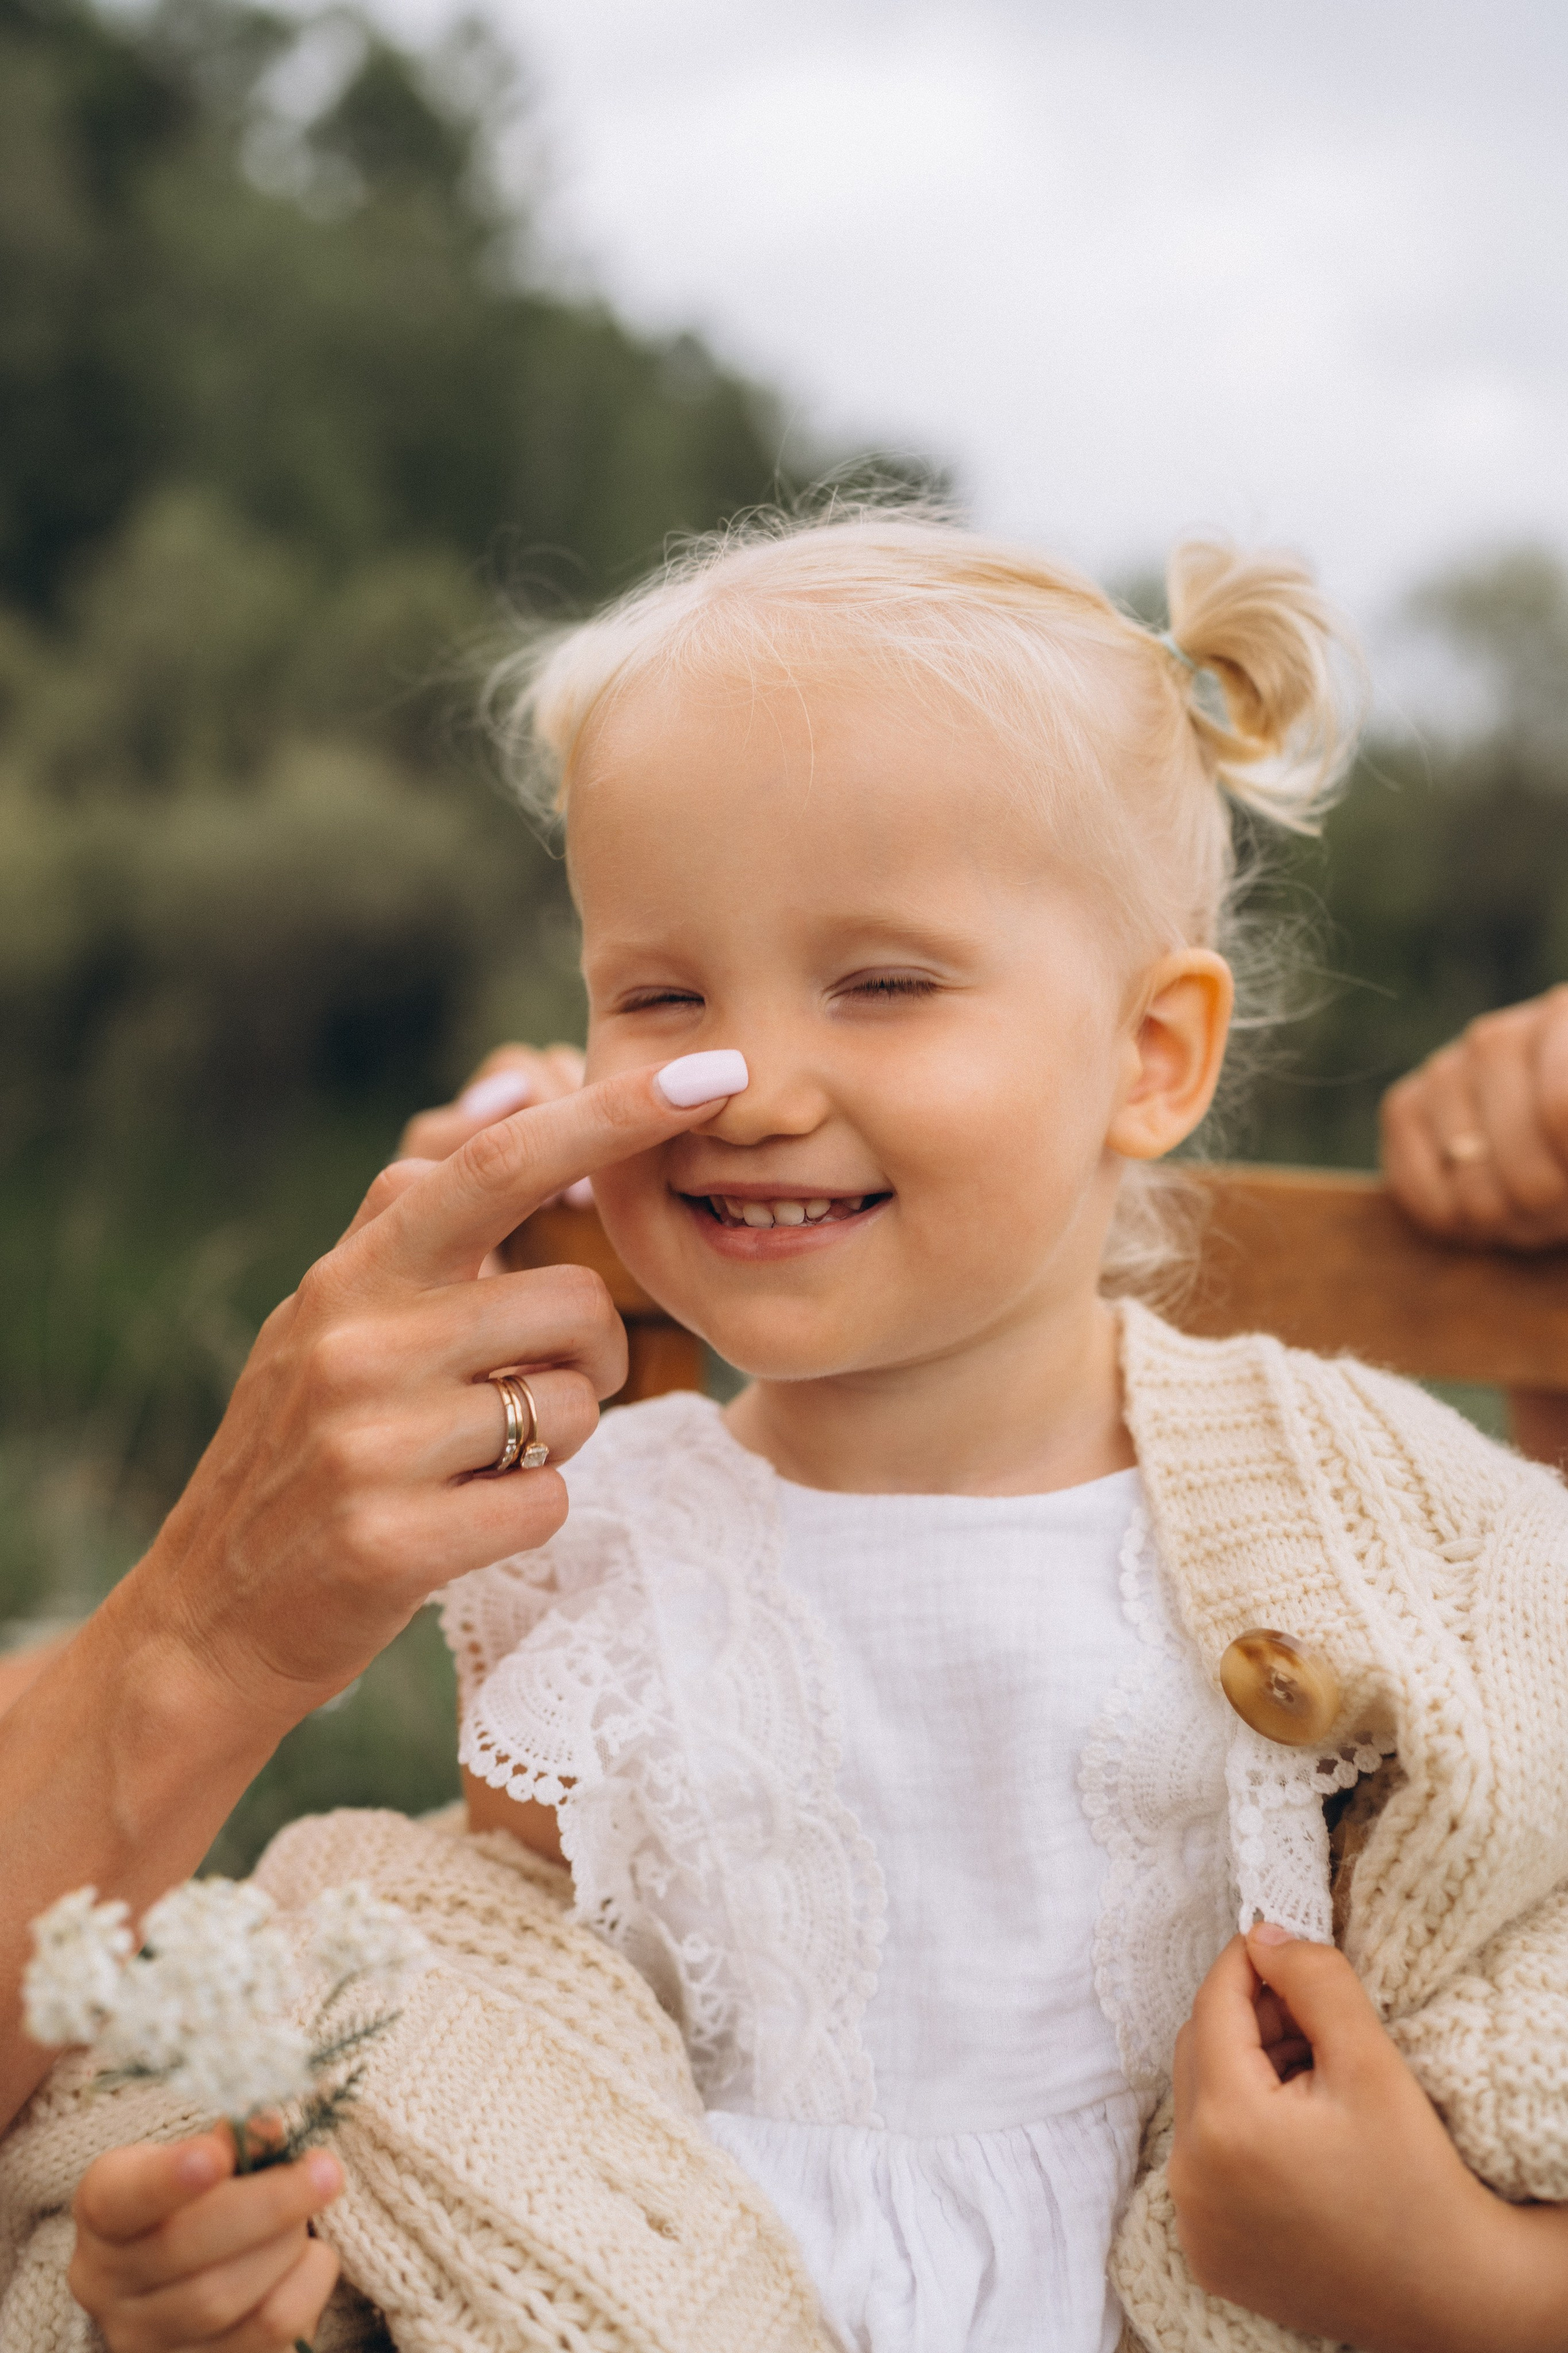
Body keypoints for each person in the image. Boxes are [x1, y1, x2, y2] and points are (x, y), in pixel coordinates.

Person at [42, 509, 1568, 2352]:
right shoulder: (580, 1537)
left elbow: (1507, 1905)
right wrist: (233, 2284)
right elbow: (509, 2031)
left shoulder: (1368, 1525)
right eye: (662, 997)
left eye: (885, 983)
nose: (751, 1086)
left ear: (1150, 1056)